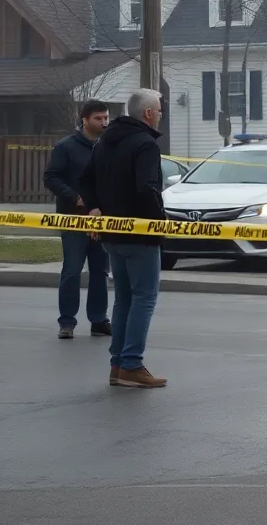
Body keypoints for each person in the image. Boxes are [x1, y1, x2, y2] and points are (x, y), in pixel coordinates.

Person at [80, 89, 167, 389]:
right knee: (144, 298)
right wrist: (160, 224)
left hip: (111, 234)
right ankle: (131, 363)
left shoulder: (104, 141)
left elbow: (86, 179)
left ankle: (117, 364)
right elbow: (146, 188)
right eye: (159, 110)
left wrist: (94, 207)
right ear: (148, 114)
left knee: (124, 299)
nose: (160, 114)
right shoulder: (145, 145)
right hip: (140, 234)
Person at [45, 100, 111, 340]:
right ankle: (67, 322)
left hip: (102, 219)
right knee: (72, 270)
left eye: (106, 118)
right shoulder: (66, 147)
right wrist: (75, 198)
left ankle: (99, 319)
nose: (104, 123)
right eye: (98, 118)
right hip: (73, 219)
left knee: (100, 271)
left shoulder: (108, 147)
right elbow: (51, 177)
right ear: (85, 119)